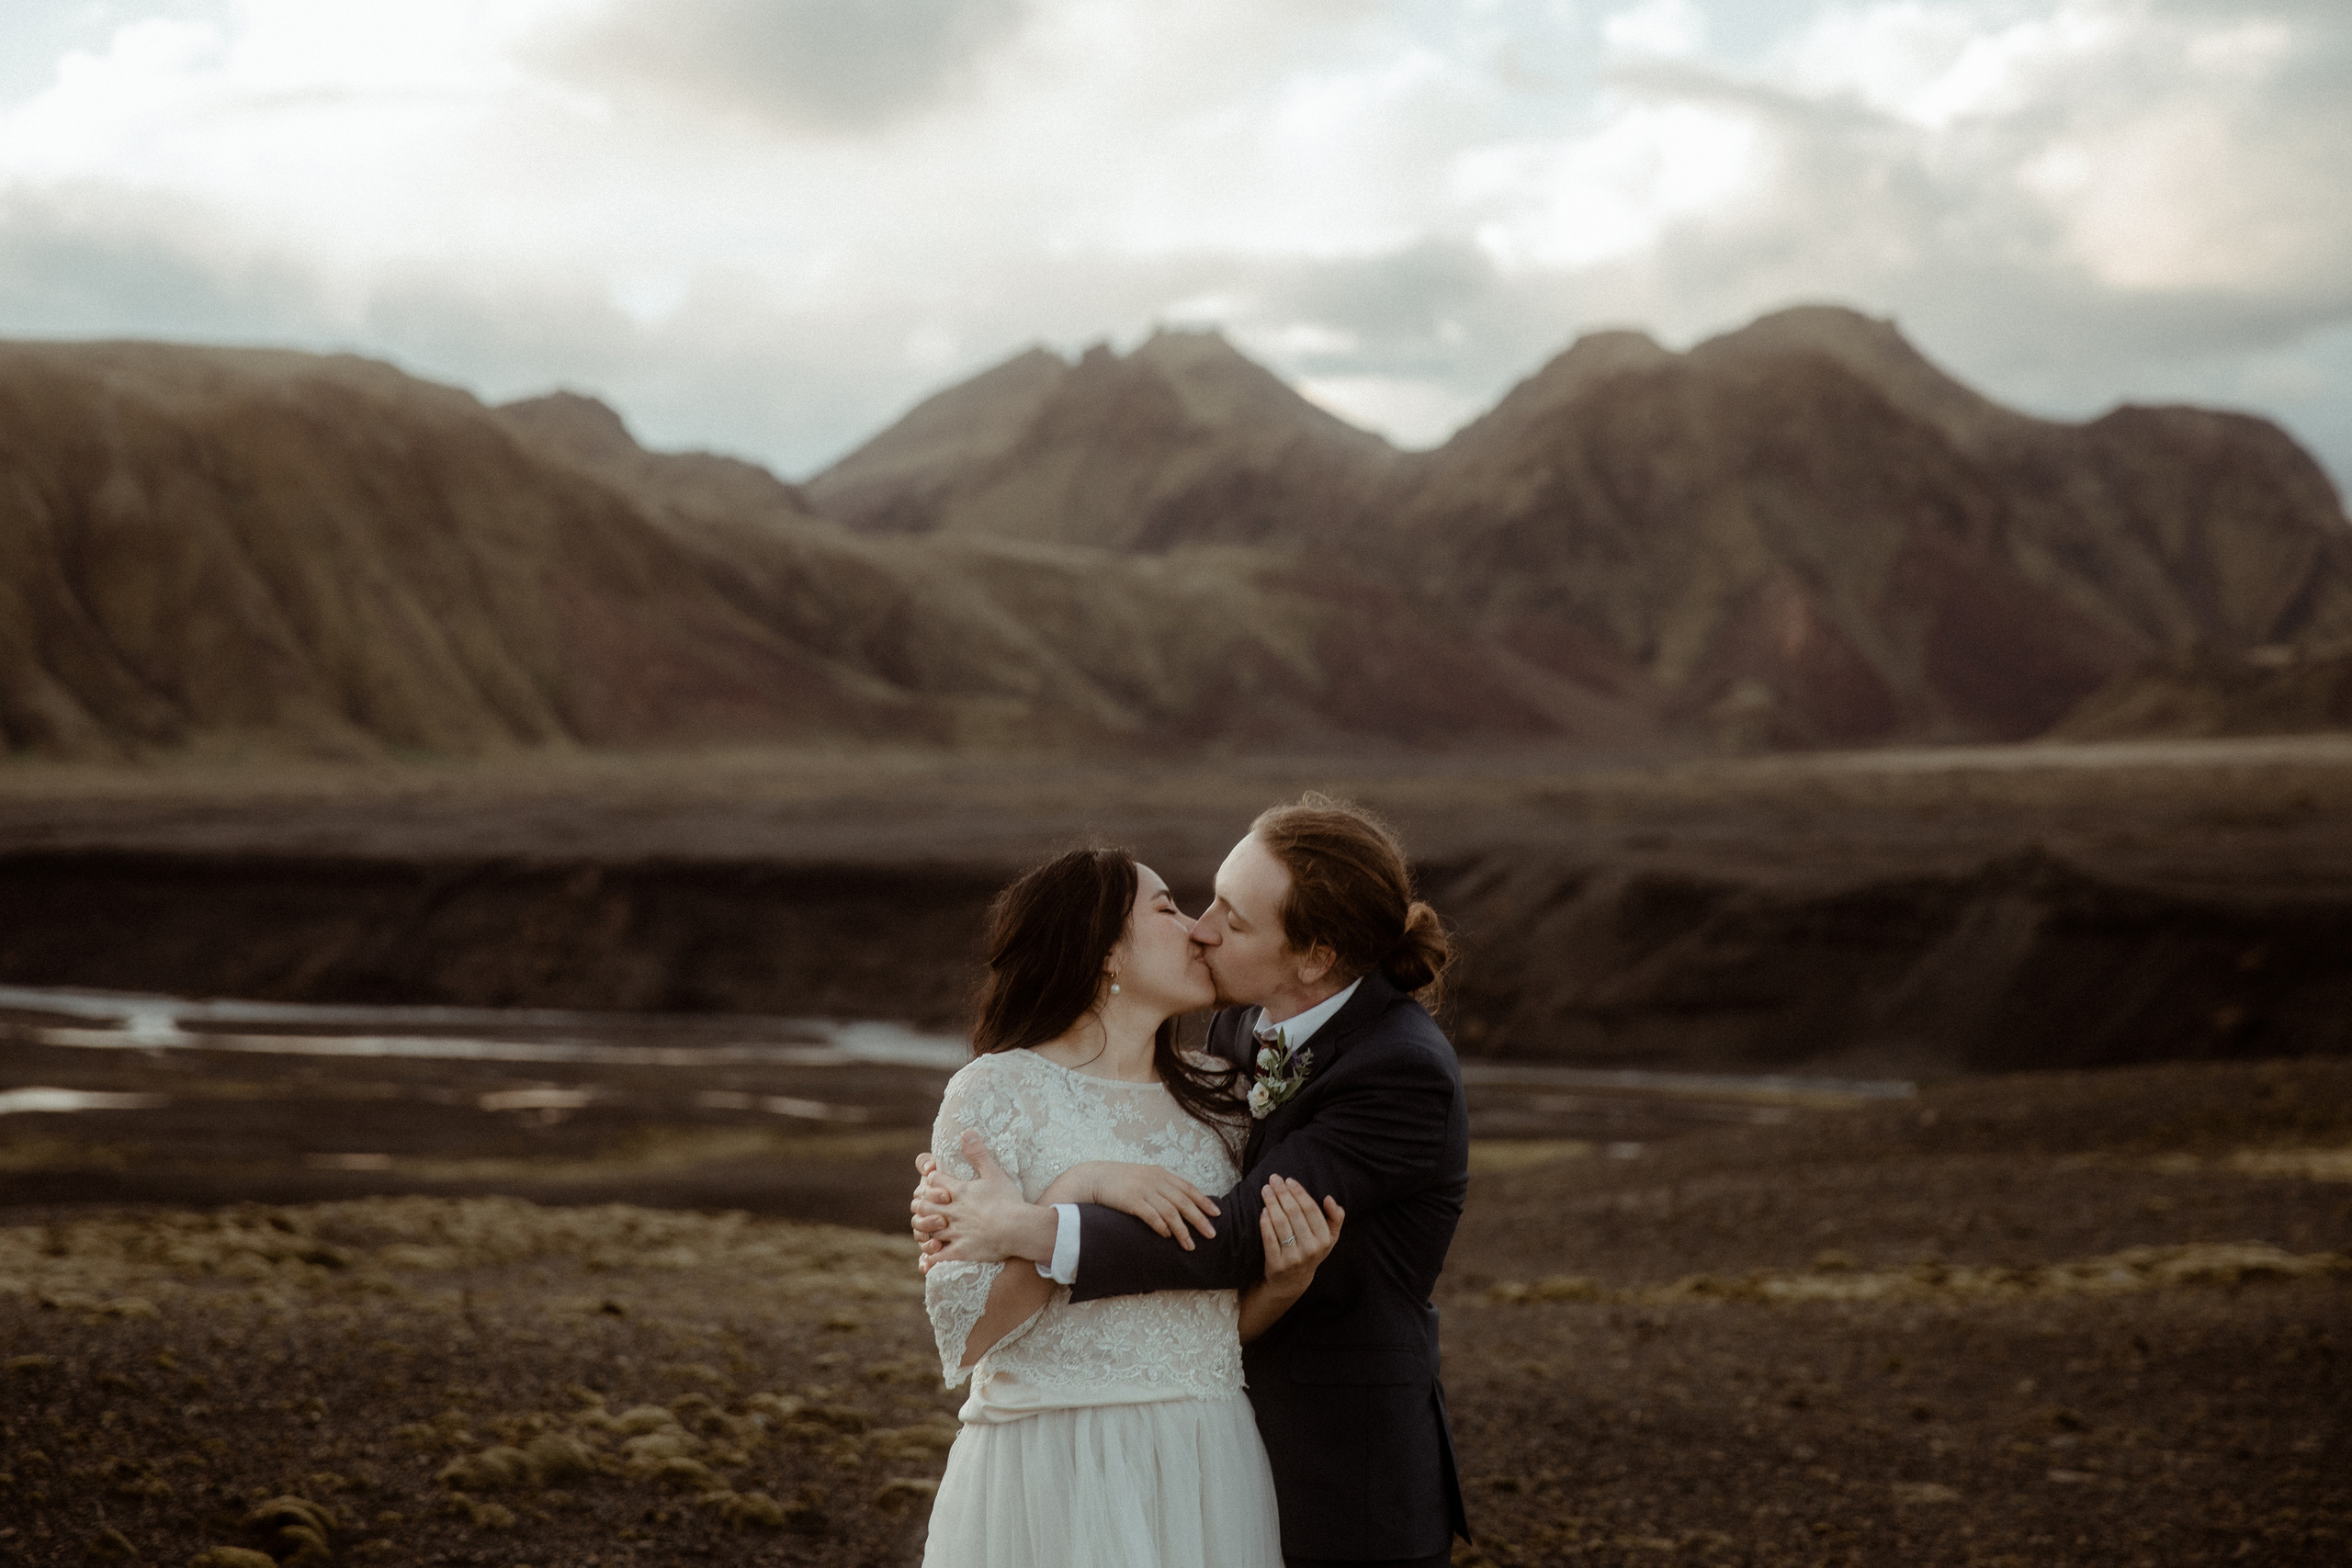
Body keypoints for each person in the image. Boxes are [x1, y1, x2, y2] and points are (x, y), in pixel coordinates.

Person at [917, 795, 1473, 1568]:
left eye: (1231, 918)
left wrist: (1039, 1219)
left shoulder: (1382, 1070)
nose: (1203, 927)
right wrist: (1075, 1185)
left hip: (1313, 1462)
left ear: (1314, 958)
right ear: (1104, 953)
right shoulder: (1231, 1041)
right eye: (1189, 901)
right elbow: (966, 1329)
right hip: (1056, 1461)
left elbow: (1233, 1243)